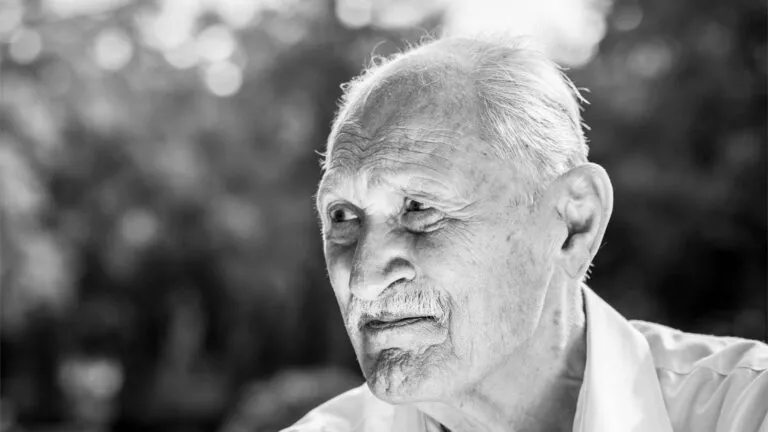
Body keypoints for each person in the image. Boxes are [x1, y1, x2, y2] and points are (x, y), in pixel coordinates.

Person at [284, 35, 768, 432]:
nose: (364, 279)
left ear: (574, 224)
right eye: (343, 217)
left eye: (419, 208)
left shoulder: (747, 410)